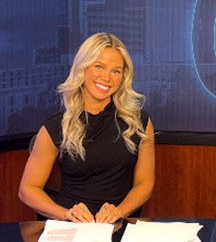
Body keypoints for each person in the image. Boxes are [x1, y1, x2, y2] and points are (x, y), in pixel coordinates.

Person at [19, 32, 155, 223]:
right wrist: (66, 215)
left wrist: (119, 212)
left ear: (123, 77)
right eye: (99, 67)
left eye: (116, 71)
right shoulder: (56, 127)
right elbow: (28, 189)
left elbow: (144, 184)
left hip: (120, 226)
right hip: (71, 228)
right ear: (82, 68)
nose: (107, 77)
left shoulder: (139, 122)